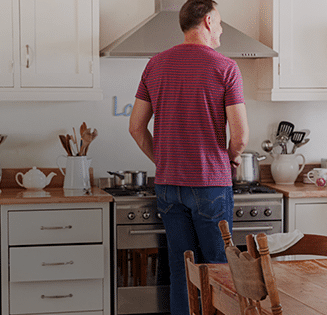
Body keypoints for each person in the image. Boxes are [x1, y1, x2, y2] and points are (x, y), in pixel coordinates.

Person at [128, 1, 249, 314]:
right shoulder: (225, 67)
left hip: (168, 186)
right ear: (208, 21)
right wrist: (232, 158)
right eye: (220, 23)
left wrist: (164, 161)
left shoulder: (155, 65)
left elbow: (136, 129)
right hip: (210, 184)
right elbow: (241, 137)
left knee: (181, 269)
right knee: (219, 269)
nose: (221, 29)